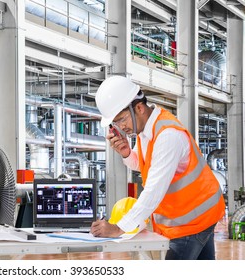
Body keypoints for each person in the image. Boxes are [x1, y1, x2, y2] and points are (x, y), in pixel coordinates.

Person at [91, 75, 225, 260]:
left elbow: (154, 190)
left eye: (121, 119)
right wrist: (126, 152)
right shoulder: (146, 130)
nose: (121, 127)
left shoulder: (167, 136)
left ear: (138, 108)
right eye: (116, 123)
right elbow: (144, 165)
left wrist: (118, 228)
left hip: (189, 222)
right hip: (198, 215)